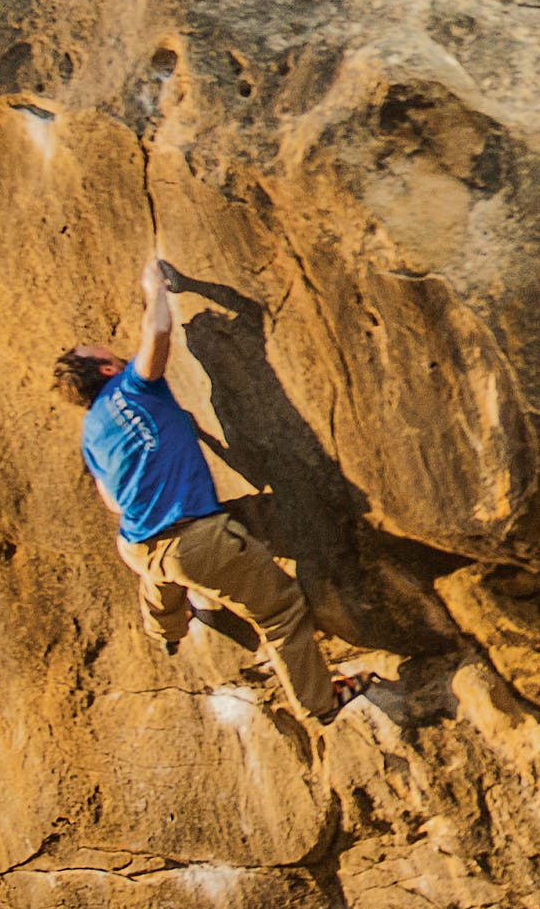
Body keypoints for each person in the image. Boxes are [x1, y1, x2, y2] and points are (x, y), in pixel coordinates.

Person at [58, 255, 347, 722]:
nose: (107, 346)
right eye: (100, 350)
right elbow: (156, 335)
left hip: (137, 544)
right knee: (280, 612)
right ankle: (321, 704)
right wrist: (155, 290)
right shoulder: (134, 388)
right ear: (108, 370)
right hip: (197, 544)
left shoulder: (92, 431)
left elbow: (111, 501)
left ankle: (168, 629)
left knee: (159, 570)